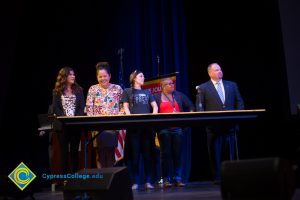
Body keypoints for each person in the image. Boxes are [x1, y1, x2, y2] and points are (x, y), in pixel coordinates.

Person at [195, 62, 244, 184]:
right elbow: (200, 107)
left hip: (230, 126)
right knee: (215, 154)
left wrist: (237, 117)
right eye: (216, 70)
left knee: (231, 152)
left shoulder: (231, 85)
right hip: (213, 127)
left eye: (220, 69)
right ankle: (217, 177)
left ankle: (233, 175)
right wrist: (205, 121)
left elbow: (240, 103)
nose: (219, 71)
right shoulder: (203, 88)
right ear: (210, 73)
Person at [153, 77, 194, 187]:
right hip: (163, 130)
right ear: (163, 86)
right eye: (169, 84)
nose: (172, 85)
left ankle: (178, 178)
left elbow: (190, 106)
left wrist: (189, 114)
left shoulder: (179, 95)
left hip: (177, 129)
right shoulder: (157, 97)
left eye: (172, 83)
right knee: (165, 155)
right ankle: (166, 179)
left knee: (178, 155)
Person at [121, 70, 158, 190]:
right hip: (134, 128)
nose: (144, 77)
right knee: (134, 156)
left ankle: (148, 181)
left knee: (148, 155)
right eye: (141, 76)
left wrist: (153, 115)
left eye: (143, 75)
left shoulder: (147, 92)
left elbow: (155, 106)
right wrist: (130, 117)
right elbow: (125, 106)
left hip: (147, 128)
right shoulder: (127, 91)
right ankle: (135, 181)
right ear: (134, 78)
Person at [86, 62, 123, 168]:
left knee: (111, 153)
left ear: (110, 76)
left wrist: (118, 119)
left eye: (105, 76)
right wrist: (93, 123)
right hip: (98, 126)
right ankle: (101, 179)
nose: (103, 78)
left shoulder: (118, 88)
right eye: (100, 76)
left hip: (113, 126)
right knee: (100, 153)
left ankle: (110, 180)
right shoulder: (93, 89)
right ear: (97, 77)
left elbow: (123, 106)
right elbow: (89, 108)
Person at [52, 67, 85, 177]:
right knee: (64, 152)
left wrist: (75, 119)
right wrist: (65, 118)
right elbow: (56, 108)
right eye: (70, 74)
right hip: (62, 126)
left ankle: (74, 177)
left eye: (73, 74)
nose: (73, 76)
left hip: (75, 126)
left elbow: (81, 107)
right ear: (64, 77)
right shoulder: (57, 92)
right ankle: (65, 179)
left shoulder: (79, 90)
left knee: (74, 152)